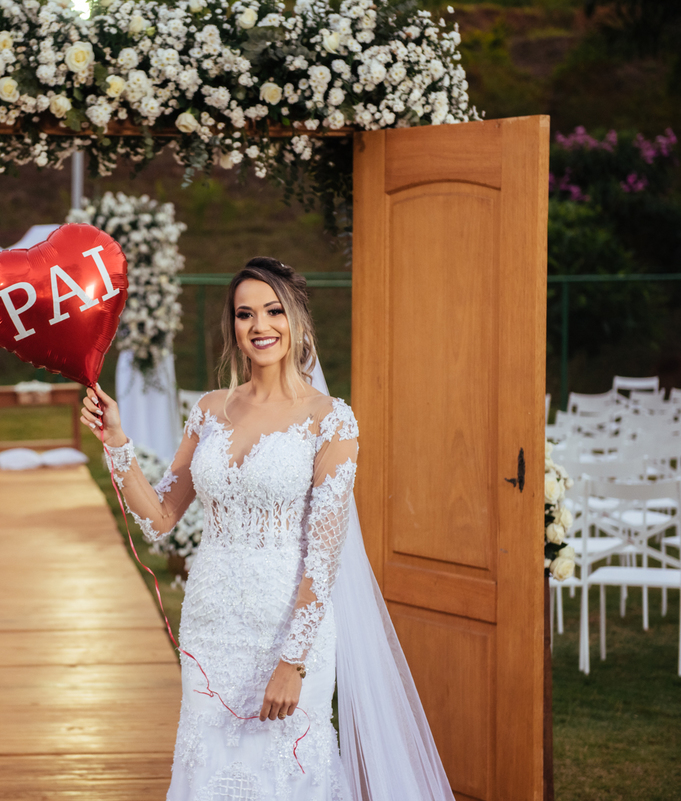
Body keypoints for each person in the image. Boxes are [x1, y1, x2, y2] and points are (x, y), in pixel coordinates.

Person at [81, 257, 455, 800]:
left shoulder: (331, 420)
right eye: (245, 314)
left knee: (288, 776)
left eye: (274, 311)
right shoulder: (209, 411)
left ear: (297, 319)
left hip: (287, 633)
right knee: (208, 770)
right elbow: (158, 518)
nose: (260, 326)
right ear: (233, 327)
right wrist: (117, 441)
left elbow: (324, 557)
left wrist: (292, 663)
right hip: (211, 629)